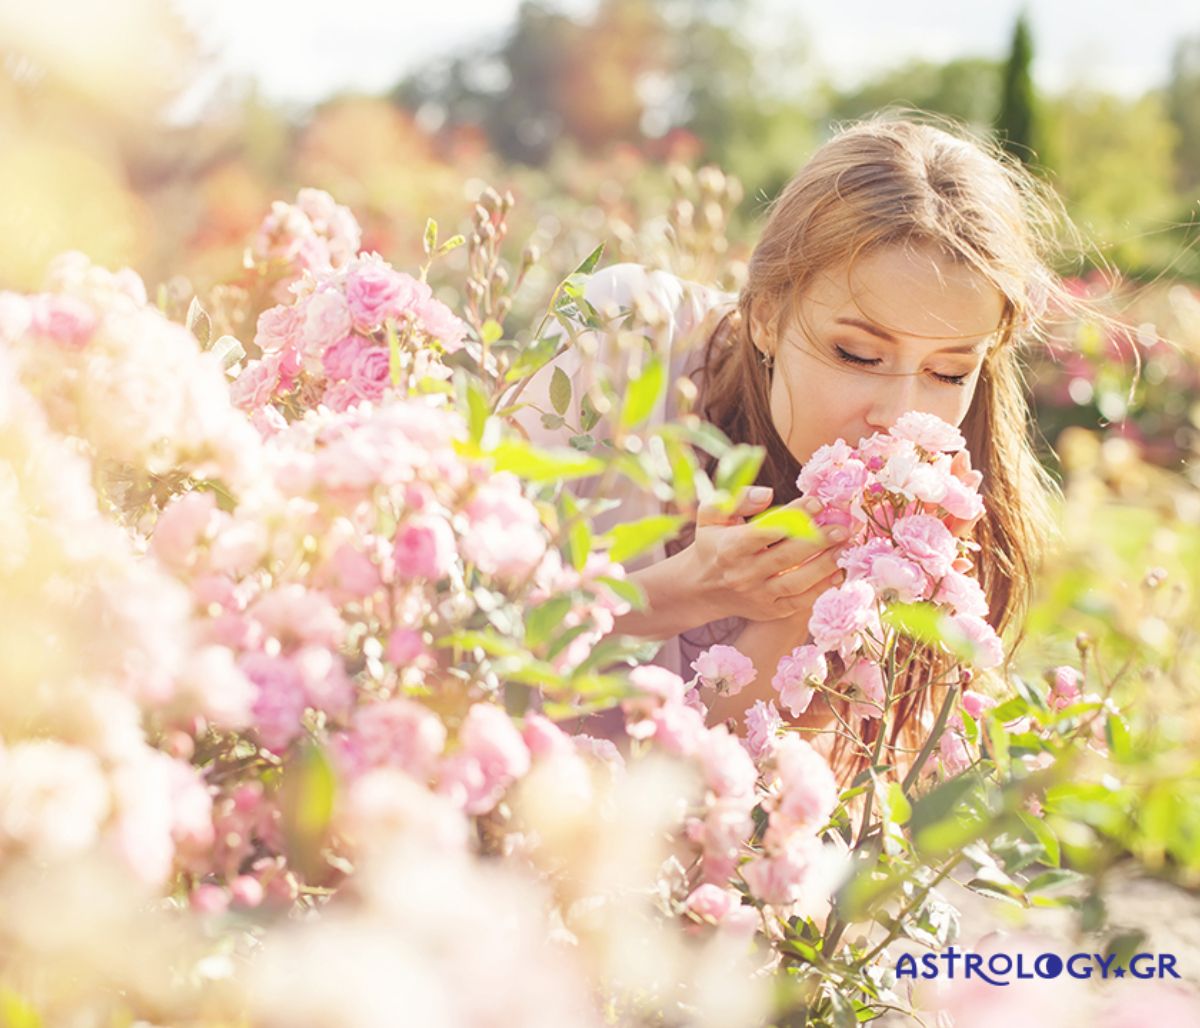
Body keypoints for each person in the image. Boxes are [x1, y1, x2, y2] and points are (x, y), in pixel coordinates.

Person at [511, 114, 1068, 781]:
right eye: (858, 354)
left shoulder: (939, 513)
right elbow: (460, 635)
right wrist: (682, 591)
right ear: (768, 315)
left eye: (949, 371)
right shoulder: (627, 333)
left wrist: (813, 603)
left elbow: (699, 783)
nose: (900, 414)